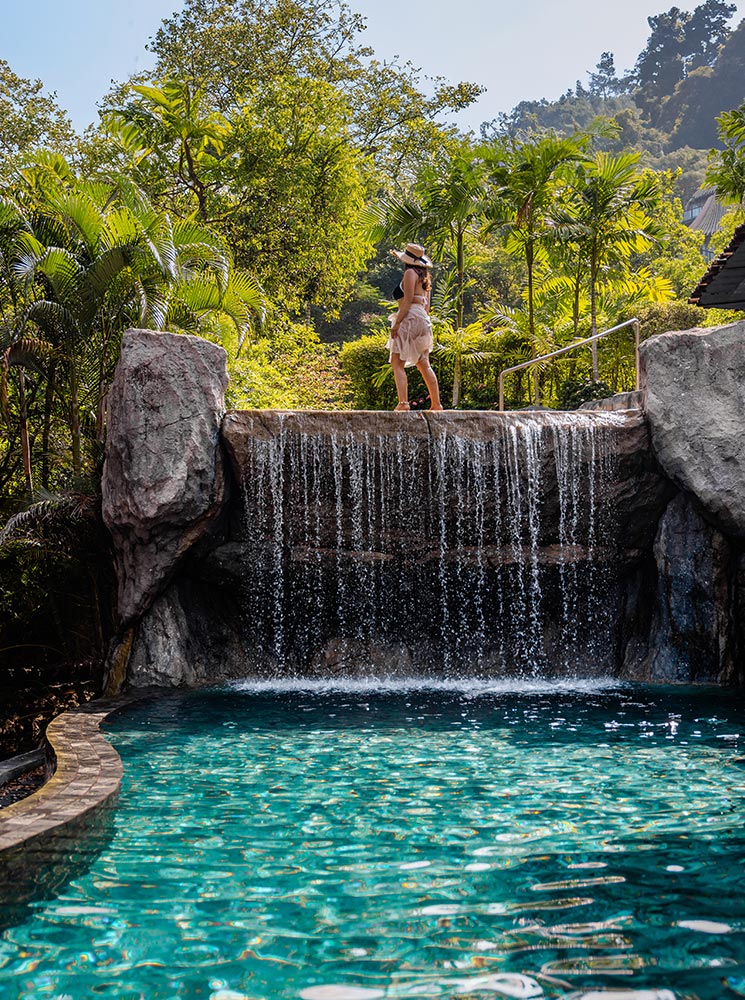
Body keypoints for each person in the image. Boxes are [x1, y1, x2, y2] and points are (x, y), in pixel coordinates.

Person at [387, 243, 443, 412]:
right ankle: (436, 404)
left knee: (397, 362)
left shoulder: (409, 273)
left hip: (410, 317)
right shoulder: (425, 277)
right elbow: (426, 306)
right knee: (424, 362)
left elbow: (407, 301)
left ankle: (403, 403)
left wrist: (397, 324)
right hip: (423, 319)